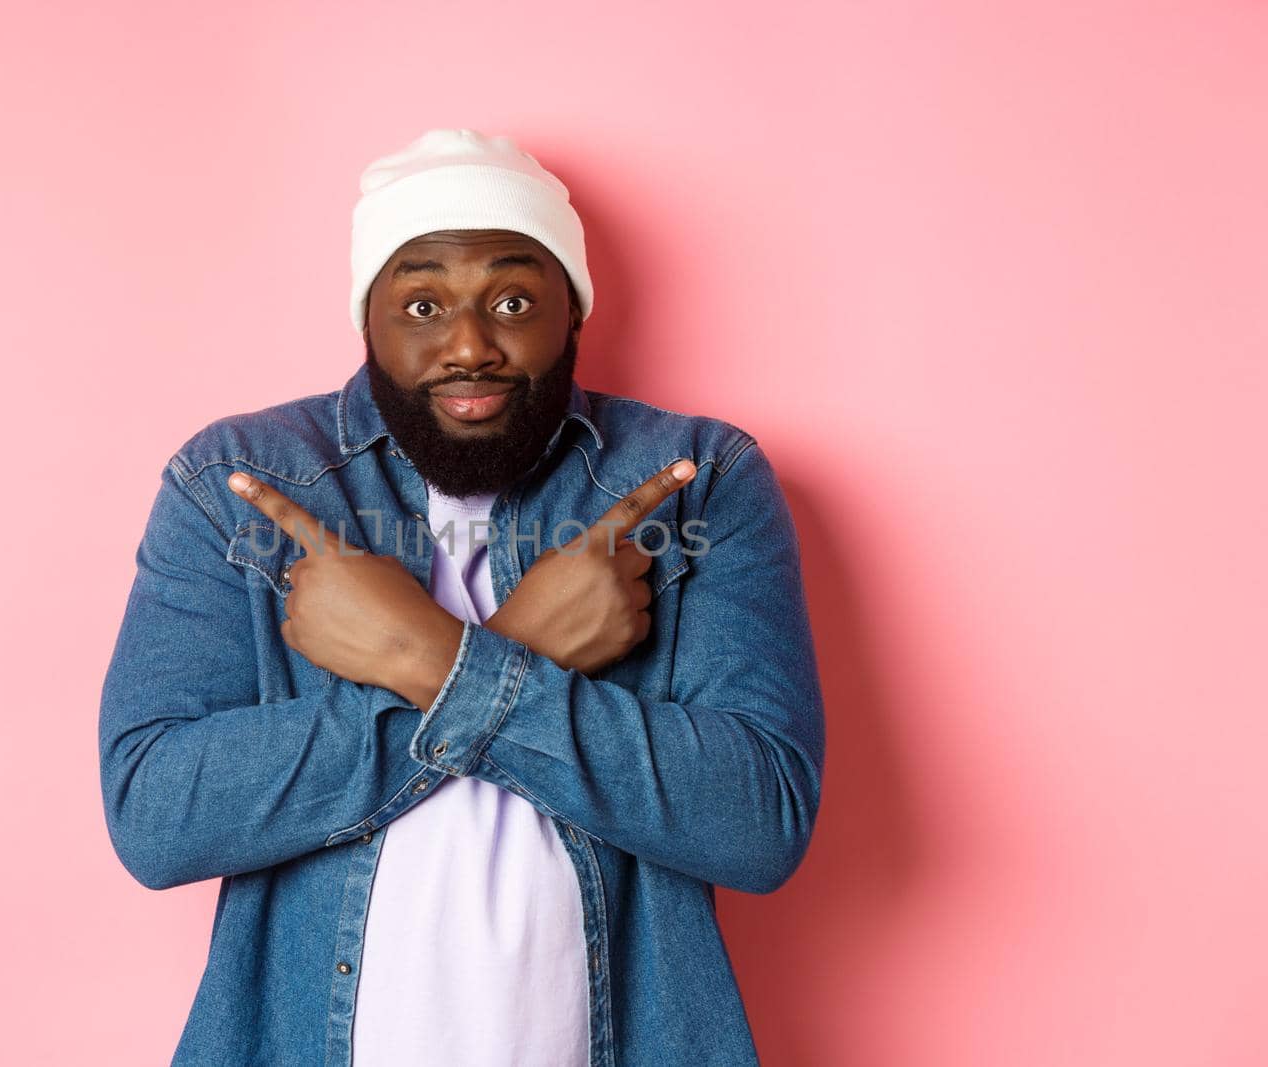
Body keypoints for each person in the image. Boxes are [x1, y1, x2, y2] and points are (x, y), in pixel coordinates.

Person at [98, 127, 826, 1066]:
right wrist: (515, 650)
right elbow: (156, 818)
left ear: (575, 313)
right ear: (368, 320)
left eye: (514, 299)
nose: (470, 344)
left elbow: (760, 818)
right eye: (423, 302)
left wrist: (428, 658)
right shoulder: (237, 479)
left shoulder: (696, 477)